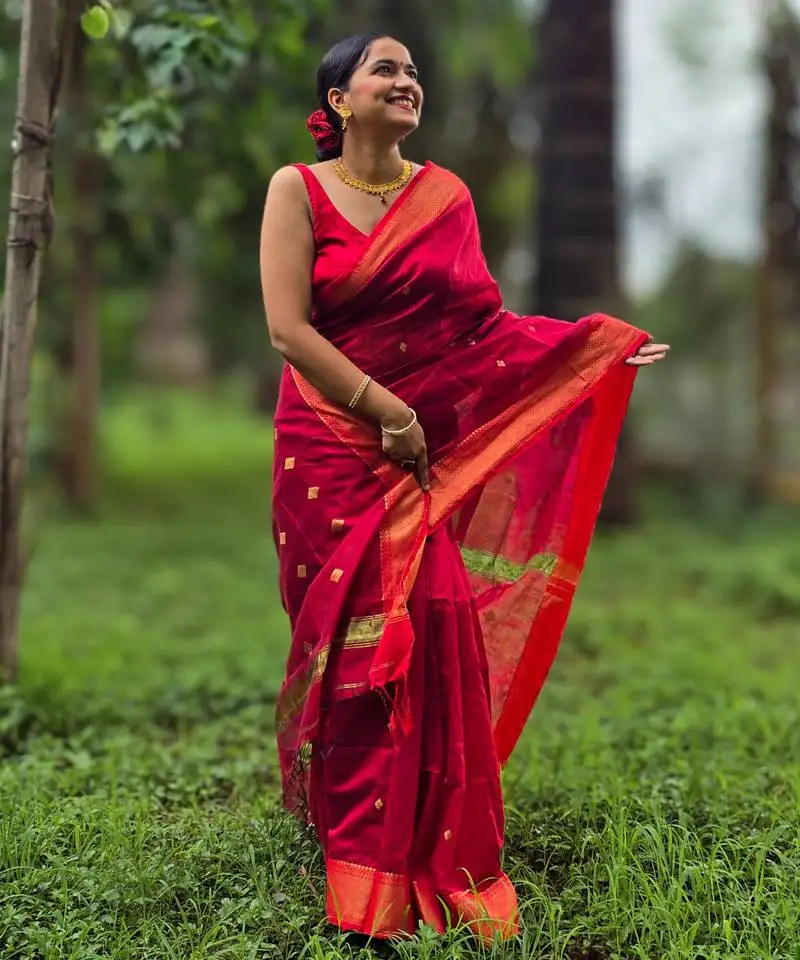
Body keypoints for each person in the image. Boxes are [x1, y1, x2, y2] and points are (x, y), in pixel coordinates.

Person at [259, 32, 668, 944]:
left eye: (412, 72)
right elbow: (288, 330)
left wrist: (591, 348)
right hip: (327, 444)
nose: (406, 81)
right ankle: (355, 847)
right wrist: (388, 411)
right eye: (385, 69)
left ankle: (421, 841)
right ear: (338, 101)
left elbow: (479, 329)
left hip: (412, 455)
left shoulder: (445, 198)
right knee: (349, 636)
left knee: (431, 616)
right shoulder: (298, 189)